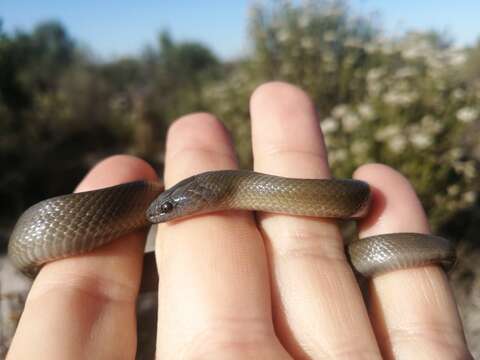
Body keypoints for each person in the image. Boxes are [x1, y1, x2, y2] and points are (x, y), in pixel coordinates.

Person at [7, 82, 472, 359]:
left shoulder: (252, 189)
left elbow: (356, 198)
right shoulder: (190, 192)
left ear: (211, 196)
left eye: (171, 208)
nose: (160, 214)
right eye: (167, 207)